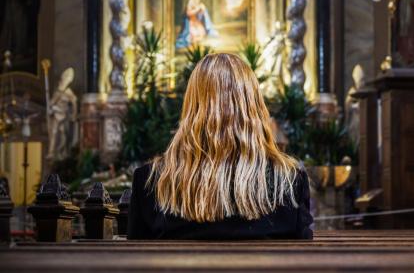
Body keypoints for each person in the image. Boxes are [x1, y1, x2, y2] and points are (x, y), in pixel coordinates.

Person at [128, 53, 313, 240]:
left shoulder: (150, 181)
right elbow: (304, 259)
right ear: (254, 107)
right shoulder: (290, 182)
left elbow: (133, 262)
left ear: (192, 106)